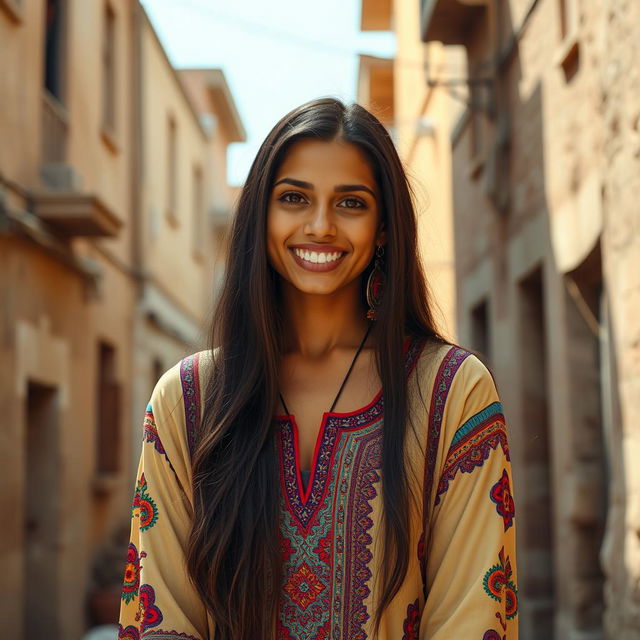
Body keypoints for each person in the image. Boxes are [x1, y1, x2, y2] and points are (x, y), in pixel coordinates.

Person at [117, 97, 518, 640]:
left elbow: (474, 618)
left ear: (383, 227)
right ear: (261, 215)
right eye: (294, 198)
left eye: (351, 203)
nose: (321, 225)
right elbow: (160, 618)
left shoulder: (451, 393)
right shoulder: (187, 401)